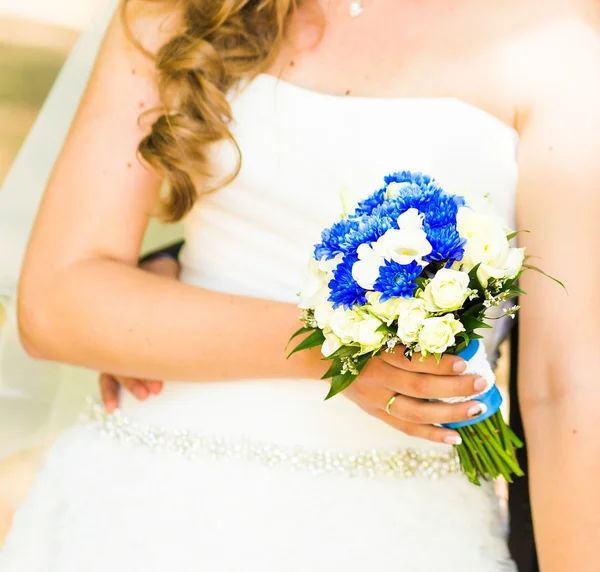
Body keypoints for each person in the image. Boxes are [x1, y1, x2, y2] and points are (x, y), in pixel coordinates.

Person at [0, 0, 599, 569]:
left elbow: (565, 388)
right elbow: (55, 302)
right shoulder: (187, 12)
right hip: (141, 509)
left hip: (403, 531)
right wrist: (333, 347)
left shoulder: (562, 42)